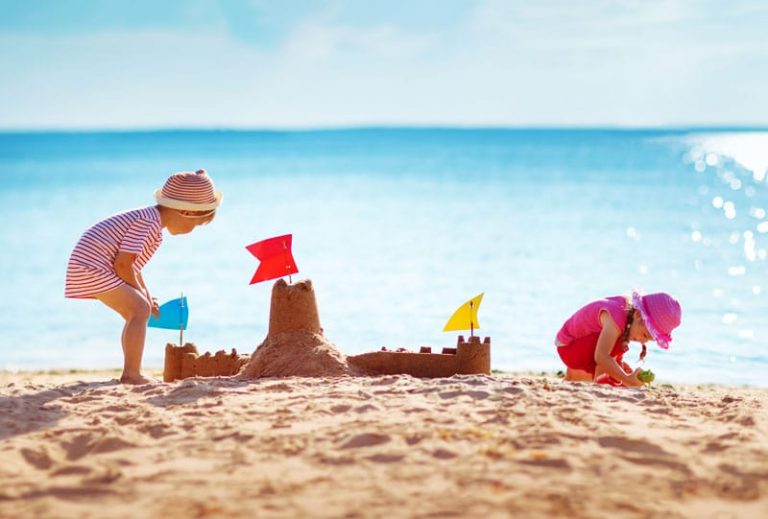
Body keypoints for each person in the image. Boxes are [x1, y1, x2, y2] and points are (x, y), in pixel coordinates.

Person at [65, 169, 222, 384]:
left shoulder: (150, 221)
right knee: (139, 310)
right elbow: (122, 264)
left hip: (94, 265)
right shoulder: (148, 223)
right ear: (186, 212)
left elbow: (133, 266)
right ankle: (132, 374)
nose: (192, 230)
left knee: (138, 311)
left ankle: (131, 371)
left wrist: (146, 294)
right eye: (194, 224)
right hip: (92, 267)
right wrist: (141, 297)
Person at [554, 291, 681, 387]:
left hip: (577, 346)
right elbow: (601, 356)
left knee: (616, 361)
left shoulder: (626, 314)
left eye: (648, 340)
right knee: (614, 349)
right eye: (645, 335)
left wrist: (619, 366)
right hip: (569, 346)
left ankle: (586, 378)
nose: (643, 342)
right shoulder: (616, 318)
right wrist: (626, 379)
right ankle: (600, 382)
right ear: (637, 315)